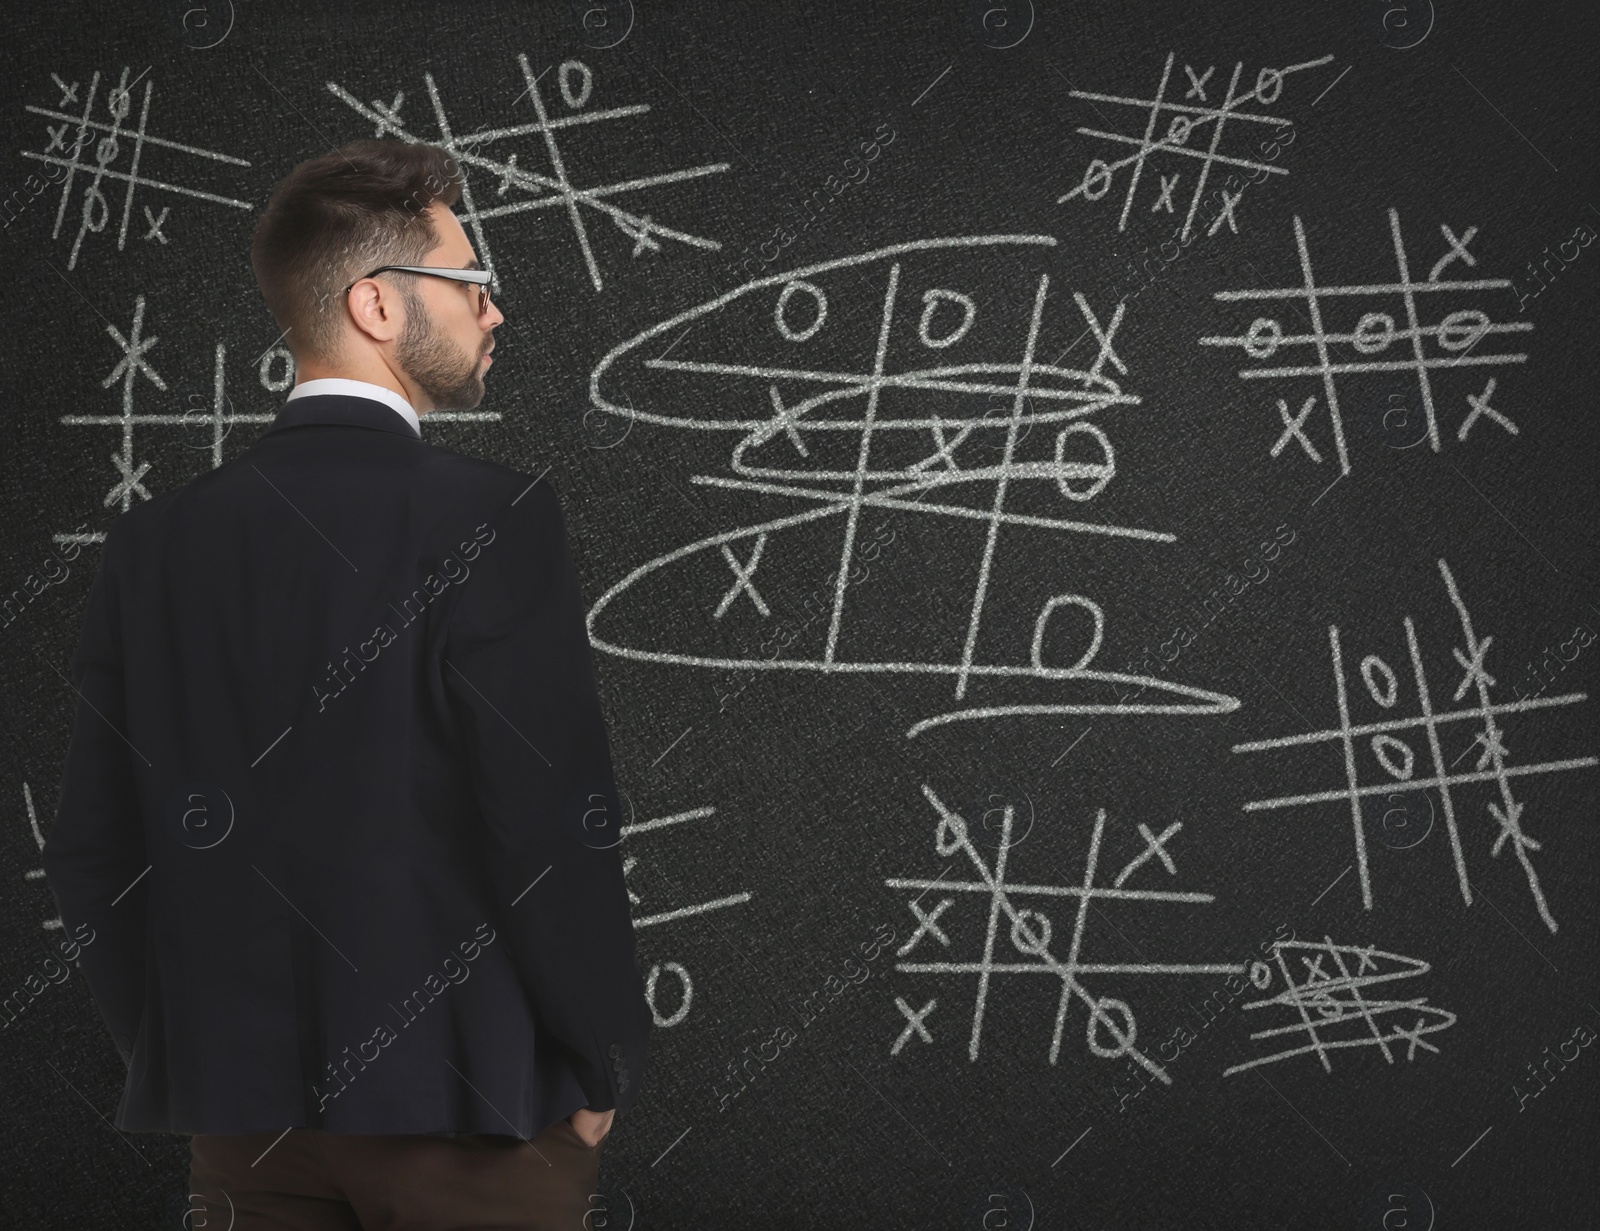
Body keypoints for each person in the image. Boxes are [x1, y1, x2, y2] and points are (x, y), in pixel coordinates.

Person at [42, 137, 650, 1230]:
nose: (494, 312)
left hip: (242, 1126)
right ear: (376, 304)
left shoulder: (153, 545)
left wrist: (198, 1057)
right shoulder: (489, 519)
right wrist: (593, 1058)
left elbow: (95, 850)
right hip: (473, 1115)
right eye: (471, 283)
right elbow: (546, 821)